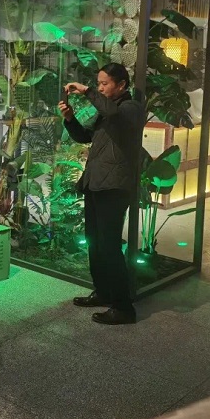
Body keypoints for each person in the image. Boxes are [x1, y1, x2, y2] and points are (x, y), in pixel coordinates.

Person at [59, 63, 143, 326]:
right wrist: (70, 118)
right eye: (98, 83)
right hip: (95, 184)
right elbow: (85, 136)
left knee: (109, 246)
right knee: (94, 242)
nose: (100, 88)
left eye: (104, 83)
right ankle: (103, 292)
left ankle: (123, 307)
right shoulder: (107, 111)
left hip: (114, 188)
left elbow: (113, 113)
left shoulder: (130, 109)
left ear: (122, 85)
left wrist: (86, 91)